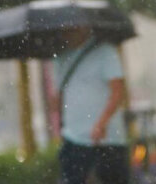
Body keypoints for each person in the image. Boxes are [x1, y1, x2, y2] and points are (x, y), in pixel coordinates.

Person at [52, 27, 129, 184]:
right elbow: (59, 97)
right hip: (73, 138)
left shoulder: (105, 52)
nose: (66, 33)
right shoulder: (61, 57)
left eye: (71, 28)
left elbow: (118, 91)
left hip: (107, 140)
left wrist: (102, 123)